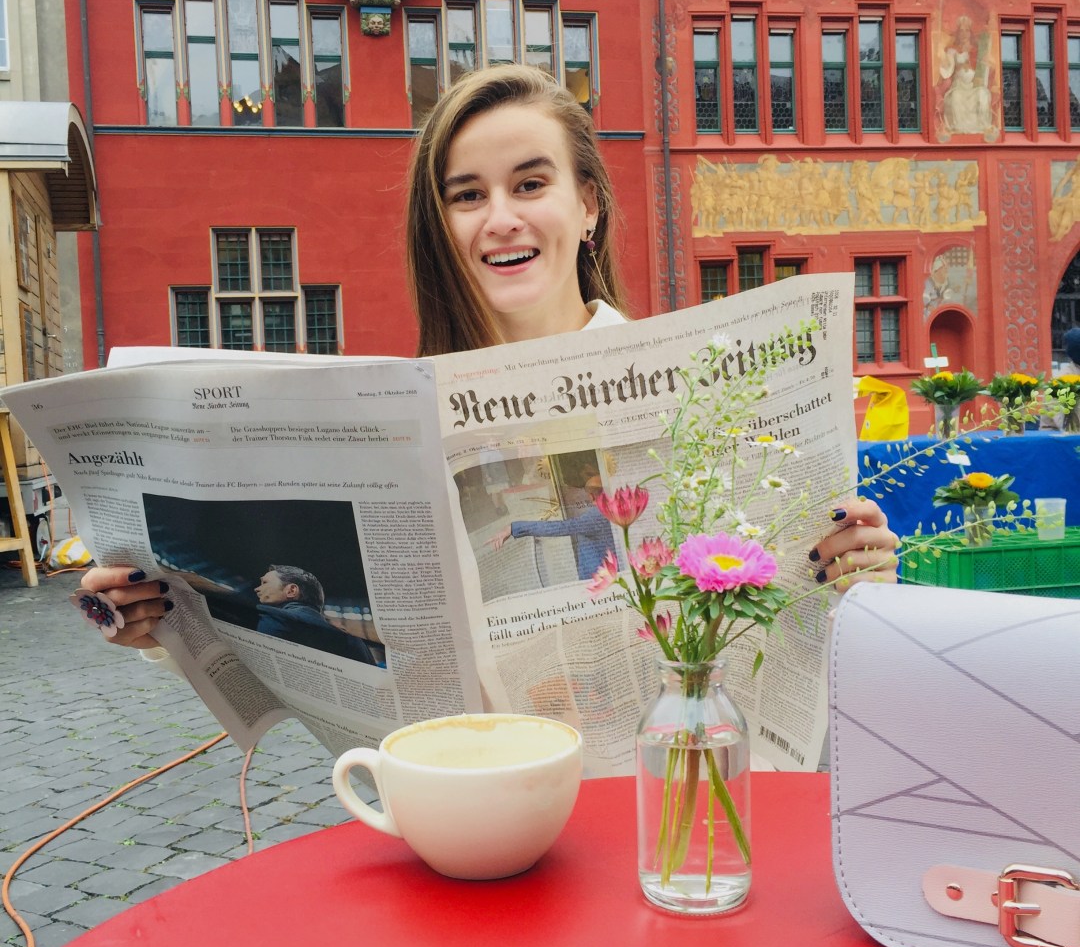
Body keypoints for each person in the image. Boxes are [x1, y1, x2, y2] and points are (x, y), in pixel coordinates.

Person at [78, 65, 898, 645]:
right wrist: (153, 617)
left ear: (589, 210)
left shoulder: (707, 393)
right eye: (467, 194)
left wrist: (851, 571)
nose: (498, 217)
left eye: (530, 184)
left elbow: (781, 615)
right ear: (443, 226)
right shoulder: (398, 415)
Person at [252, 565, 383, 666]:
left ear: (291, 590)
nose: (257, 589)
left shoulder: (273, 618)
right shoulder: (355, 642)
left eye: (265, 582)